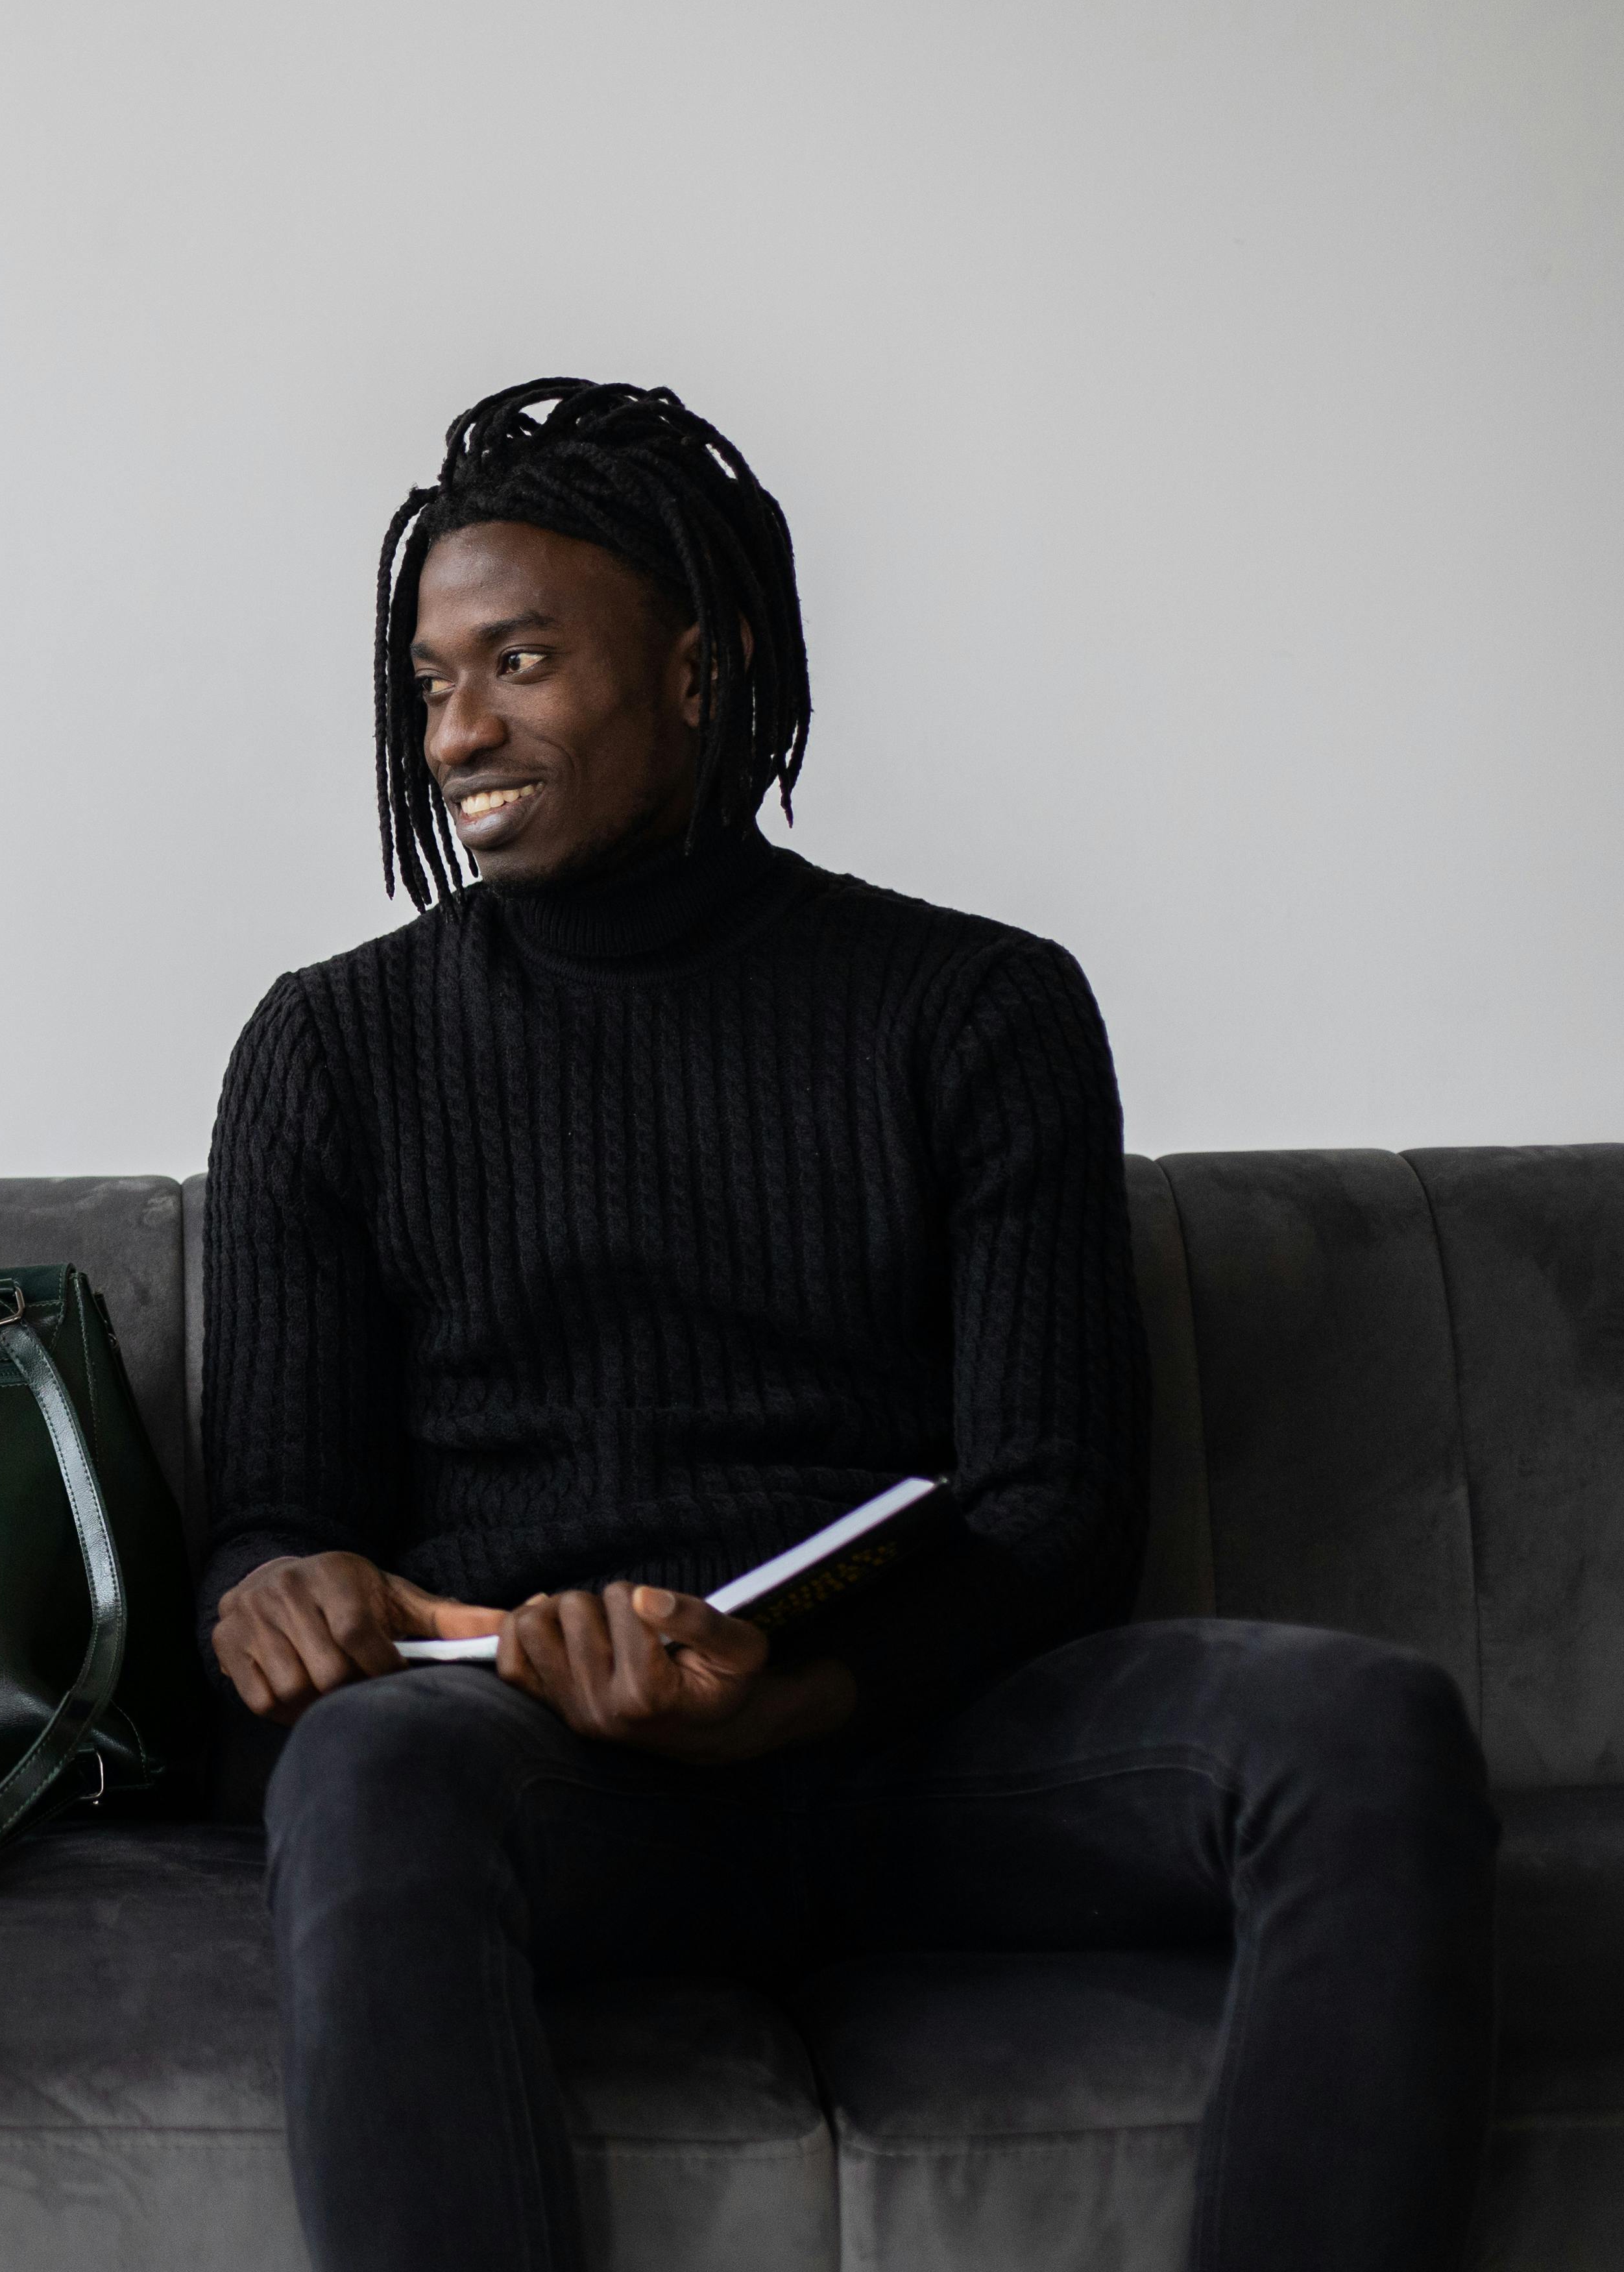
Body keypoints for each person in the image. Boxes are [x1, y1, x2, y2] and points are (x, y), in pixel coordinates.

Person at [200, 380, 1497, 2272]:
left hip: (921, 1750)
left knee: (1365, 1728)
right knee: (362, 1770)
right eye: (430, 680)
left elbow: (1053, 1514)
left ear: (704, 673)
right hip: (552, 1764)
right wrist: (275, 1587)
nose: (458, 728)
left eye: (524, 661)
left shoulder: (976, 1009)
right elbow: (270, 1518)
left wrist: (790, 1701)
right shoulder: (331, 1051)